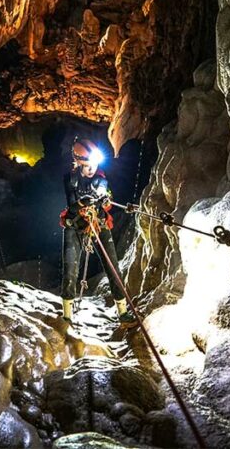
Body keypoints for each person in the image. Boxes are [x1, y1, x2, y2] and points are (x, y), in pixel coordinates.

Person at [59, 138, 136, 327]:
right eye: (87, 165)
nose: (91, 169)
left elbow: (103, 192)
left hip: (98, 223)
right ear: (78, 162)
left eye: (94, 165)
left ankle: (123, 313)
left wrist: (103, 198)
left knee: (112, 267)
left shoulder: (101, 178)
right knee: (70, 269)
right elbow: (71, 205)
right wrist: (82, 203)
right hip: (75, 224)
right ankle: (67, 316)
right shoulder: (70, 179)